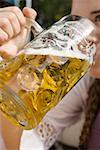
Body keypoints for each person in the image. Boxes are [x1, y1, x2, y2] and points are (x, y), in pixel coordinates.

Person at [0, 0, 100, 150]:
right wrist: (17, 72)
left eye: (99, 18)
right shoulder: (86, 84)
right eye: (76, 22)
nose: (84, 39)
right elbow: (26, 145)